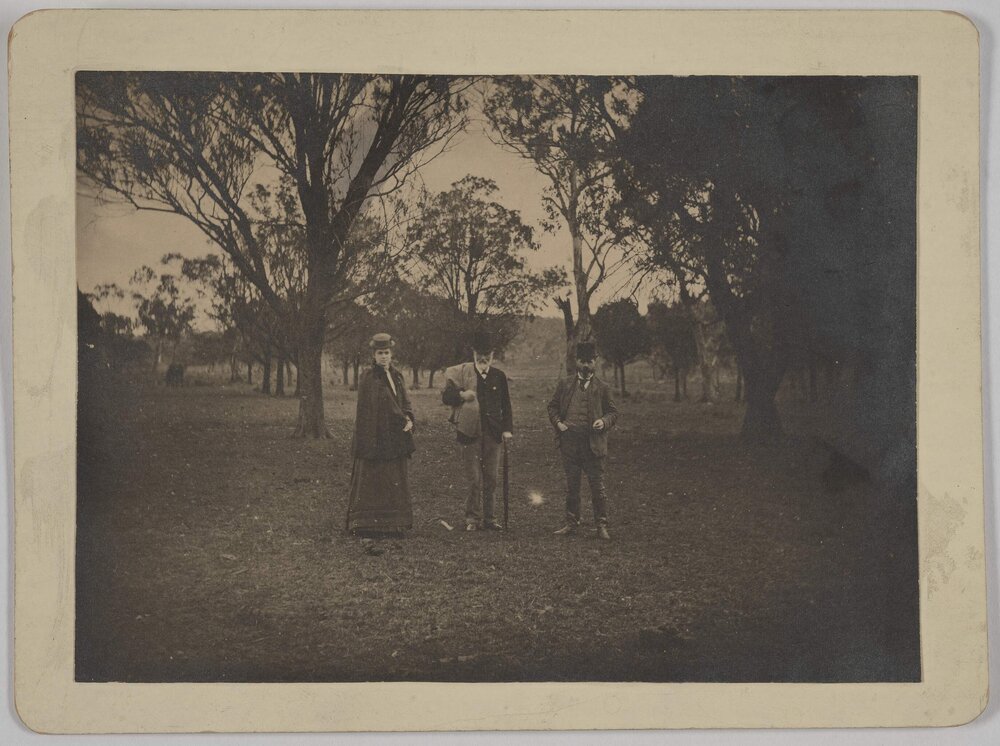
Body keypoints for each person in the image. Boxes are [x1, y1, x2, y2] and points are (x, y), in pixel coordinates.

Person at [345, 333, 415, 553]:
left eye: (386, 353)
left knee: (394, 477)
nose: (384, 357)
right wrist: (401, 419)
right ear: (373, 355)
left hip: (394, 437)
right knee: (374, 478)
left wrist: (410, 416)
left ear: (391, 354)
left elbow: (403, 400)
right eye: (379, 353)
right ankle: (367, 524)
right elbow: (384, 402)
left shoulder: (397, 376)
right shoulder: (369, 377)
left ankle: (394, 524)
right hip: (374, 438)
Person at [546, 341, 619, 540]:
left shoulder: (603, 388)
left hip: (593, 445)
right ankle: (571, 523)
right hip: (570, 444)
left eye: (589, 361)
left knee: (597, 486)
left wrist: (603, 422)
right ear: (576, 361)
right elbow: (552, 407)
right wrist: (558, 423)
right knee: (572, 486)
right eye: (582, 361)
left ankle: (601, 525)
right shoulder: (565, 384)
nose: (586, 366)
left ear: (595, 362)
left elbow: (613, 412)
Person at [442, 331, 513, 532]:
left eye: (487, 355)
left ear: (492, 355)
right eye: (479, 355)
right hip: (468, 433)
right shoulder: (462, 373)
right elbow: (446, 397)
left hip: (493, 434)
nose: (483, 359)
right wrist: (462, 395)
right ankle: (472, 518)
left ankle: (490, 518)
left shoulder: (499, 376)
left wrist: (507, 430)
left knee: (491, 478)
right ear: (473, 354)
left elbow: (506, 406)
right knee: (474, 479)